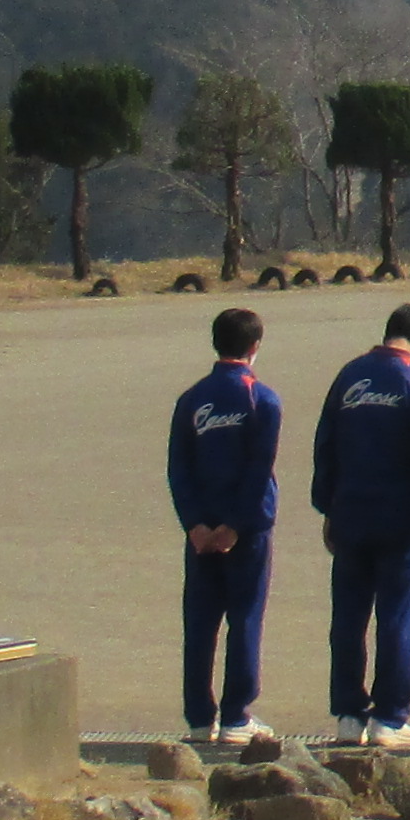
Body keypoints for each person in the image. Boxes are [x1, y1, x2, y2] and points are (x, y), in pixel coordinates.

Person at [309, 301, 410, 752]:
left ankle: (349, 714)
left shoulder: (350, 376)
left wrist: (327, 507)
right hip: (400, 519)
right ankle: (390, 715)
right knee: (396, 618)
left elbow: (325, 445)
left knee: (348, 618)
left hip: (351, 514)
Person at [165, 303, 285, 750]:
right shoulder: (261, 398)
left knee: (200, 622)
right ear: (255, 346)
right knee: (245, 617)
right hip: (245, 532)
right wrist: (234, 526)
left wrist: (195, 524)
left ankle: (199, 718)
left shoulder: (192, 398)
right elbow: (259, 467)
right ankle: (236, 715)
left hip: (202, 531)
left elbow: (179, 468)